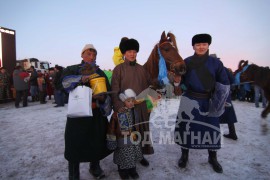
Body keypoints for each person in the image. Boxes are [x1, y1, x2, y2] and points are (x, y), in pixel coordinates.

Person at [174, 34, 230, 173]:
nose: (201, 47)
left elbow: (223, 82)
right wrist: (176, 79)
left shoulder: (216, 63)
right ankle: (184, 155)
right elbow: (178, 83)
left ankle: (212, 157)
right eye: (198, 45)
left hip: (209, 101)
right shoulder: (185, 62)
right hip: (189, 99)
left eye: (204, 44)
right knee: (186, 129)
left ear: (208, 45)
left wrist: (223, 100)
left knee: (212, 130)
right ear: (193, 46)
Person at [61, 44, 112, 180]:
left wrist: (102, 99)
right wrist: (80, 79)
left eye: (94, 54)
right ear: (82, 55)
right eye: (89, 54)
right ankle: (73, 173)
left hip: (95, 115)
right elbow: (64, 85)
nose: (92, 57)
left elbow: (108, 91)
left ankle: (94, 167)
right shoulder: (72, 69)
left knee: (96, 141)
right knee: (74, 143)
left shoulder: (100, 72)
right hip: (78, 115)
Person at [111, 38, 154, 167]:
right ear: (124, 53)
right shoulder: (118, 69)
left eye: (134, 51)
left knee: (140, 133)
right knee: (126, 138)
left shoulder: (142, 69)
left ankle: (139, 156)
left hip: (140, 108)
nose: (132, 54)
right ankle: (124, 165)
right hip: (125, 109)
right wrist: (121, 105)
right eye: (129, 51)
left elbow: (149, 87)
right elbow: (114, 91)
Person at [107, 88, 143, 179]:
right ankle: (123, 171)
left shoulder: (134, 112)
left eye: (132, 101)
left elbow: (137, 125)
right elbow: (111, 128)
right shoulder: (118, 114)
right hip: (122, 139)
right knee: (123, 155)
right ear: (123, 101)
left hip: (133, 138)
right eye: (128, 101)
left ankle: (132, 169)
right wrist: (111, 140)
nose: (131, 103)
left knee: (133, 154)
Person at [219, 67, 238, 140]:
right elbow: (232, 79)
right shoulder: (224, 69)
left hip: (217, 93)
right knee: (229, 112)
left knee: (214, 114)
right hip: (226, 93)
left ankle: (215, 134)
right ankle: (233, 133)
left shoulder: (212, 67)